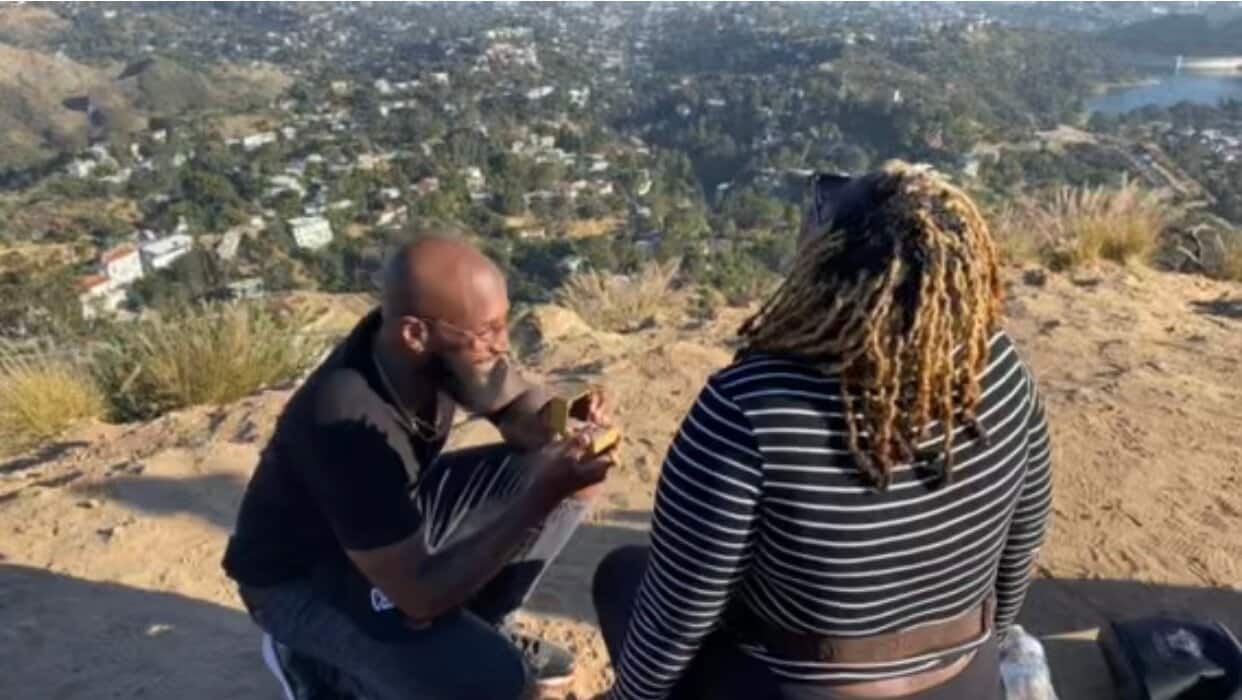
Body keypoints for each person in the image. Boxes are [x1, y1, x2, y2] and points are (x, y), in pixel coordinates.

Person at [593, 162, 1053, 700]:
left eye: (822, 208)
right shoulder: (997, 369)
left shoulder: (749, 406)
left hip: (795, 689)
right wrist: (975, 655)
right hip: (963, 684)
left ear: (825, 264)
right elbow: (1020, 547)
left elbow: (681, 609)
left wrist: (628, 698)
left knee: (621, 576)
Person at [222, 235, 615, 700]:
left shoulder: (432, 354)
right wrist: (538, 498)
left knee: (566, 474)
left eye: (504, 322)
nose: (502, 343)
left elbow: (516, 410)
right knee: (496, 684)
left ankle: (485, 625)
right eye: (487, 331)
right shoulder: (345, 420)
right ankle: (317, 666)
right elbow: (419, 597)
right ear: (415, 333)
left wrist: (564, 418)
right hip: (302, 580)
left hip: (383, 526)